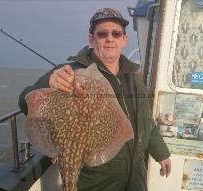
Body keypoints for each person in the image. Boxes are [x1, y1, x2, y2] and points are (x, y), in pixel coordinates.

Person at [18, 8, 171, 191]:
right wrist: (50, 81)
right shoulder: (69, 72)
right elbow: (25, 101)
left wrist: (161, 153)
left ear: (124, 40)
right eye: (102, 34)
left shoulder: (133, 78)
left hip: (135, 177)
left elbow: (145, 120)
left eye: (116, 33)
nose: (109, 38)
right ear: (91, 39)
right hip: (96, 180)